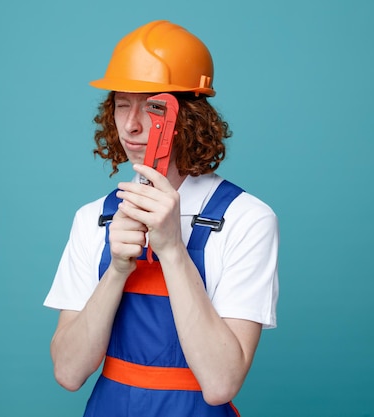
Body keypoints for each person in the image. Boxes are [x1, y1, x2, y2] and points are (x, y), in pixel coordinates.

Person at [43, 20, 279, 417]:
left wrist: (171, 248)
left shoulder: (247, 219)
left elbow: (221, 383)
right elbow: (68, 372)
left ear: (188, 116)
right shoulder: (94, 219)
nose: (131, 125)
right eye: (121, 103)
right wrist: (117, 269)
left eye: (153, 106)